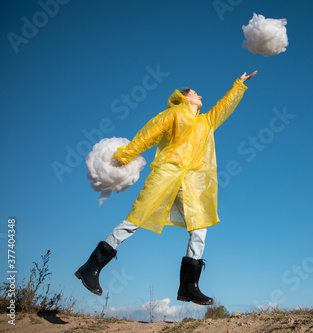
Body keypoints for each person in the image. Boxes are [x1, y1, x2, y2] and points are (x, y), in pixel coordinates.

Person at [75, 70, 257, 305]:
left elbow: (223, 107)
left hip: (190, 182)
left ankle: (189, 286)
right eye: (195, 93)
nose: (200, 95)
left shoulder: (205, 121)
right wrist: (127, 154)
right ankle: (91, 268)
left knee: (200, 227)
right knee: (136, 218)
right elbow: (149, 134)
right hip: (166, 173)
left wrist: (238, 85)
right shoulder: (174, 114)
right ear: (185, 97)